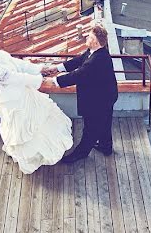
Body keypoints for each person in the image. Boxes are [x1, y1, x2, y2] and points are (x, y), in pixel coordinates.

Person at [0, 37, 72, 174]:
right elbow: (13, 78)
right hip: (12, 99)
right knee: (22, 125)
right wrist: (38, 79)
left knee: (37, 119)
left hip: (22, 92)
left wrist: (39, 69)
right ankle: (31, 156)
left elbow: (18, 64)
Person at [42, 24, 118, 163]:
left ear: (95, 41)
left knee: (90, 128)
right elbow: (78, 61)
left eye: (89, 36)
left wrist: (54, 81)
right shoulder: (95, 51)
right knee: (105, 122)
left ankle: (80, 153)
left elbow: (78, 75)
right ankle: (106, 146)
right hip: (107, 95)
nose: (86, 37)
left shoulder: (96, 60)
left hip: (98, 100)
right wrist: (56, 68)